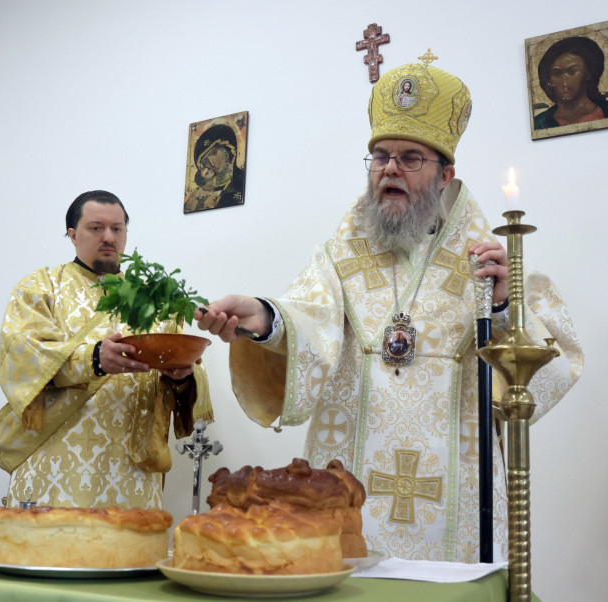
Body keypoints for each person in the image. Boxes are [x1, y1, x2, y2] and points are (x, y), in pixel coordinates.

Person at [196, 63, 583, 562]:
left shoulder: (489, 264)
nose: (390, 169)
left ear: (445, 175)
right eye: (380, 156)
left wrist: (506, 307)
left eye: (410, 157)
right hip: (347, 489)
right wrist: (265, 319)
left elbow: (548, 372)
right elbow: (309, 319)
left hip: (457, 493)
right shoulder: (340, 254)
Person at [0, 190, 212, 510]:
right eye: (96, 228)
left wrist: (183, 376)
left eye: (117, 228)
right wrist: (93, 359)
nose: (109, 237)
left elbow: (185, 373)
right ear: (73, 235)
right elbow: (21, 356)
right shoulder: (41, 286)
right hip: (54, 462)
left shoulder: (154, 301)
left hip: (133, 473)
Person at [534, 36, 608, 129]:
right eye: (557, 74)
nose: (564, 81)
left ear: (589, 73)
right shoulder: (539, 123)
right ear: (549, 80)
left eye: (572, 72)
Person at [184, 123, 246, 213]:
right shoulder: (222, 192)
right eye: (206, 164)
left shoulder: (239, 179)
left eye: (214, 153)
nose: (211, 166)